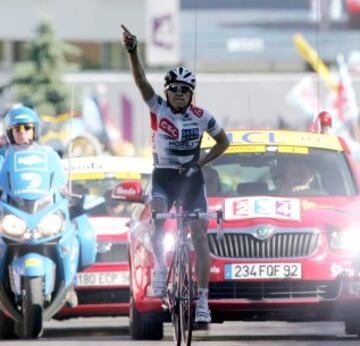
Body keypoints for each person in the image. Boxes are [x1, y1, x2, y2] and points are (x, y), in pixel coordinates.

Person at [121, 25, 229, 323]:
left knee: (199, 236)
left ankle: (204, 302)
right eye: (174, 89)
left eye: (185, 90)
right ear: (166, 91)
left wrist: (203, 161)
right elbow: (141, 81)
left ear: (191, 94)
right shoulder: (157, 107)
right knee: (157, 217)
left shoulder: (202, 116)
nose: (179, 94)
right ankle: (158, 266)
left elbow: (224, 141)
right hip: (164, 178)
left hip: (191, 180)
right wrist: (133, 51)